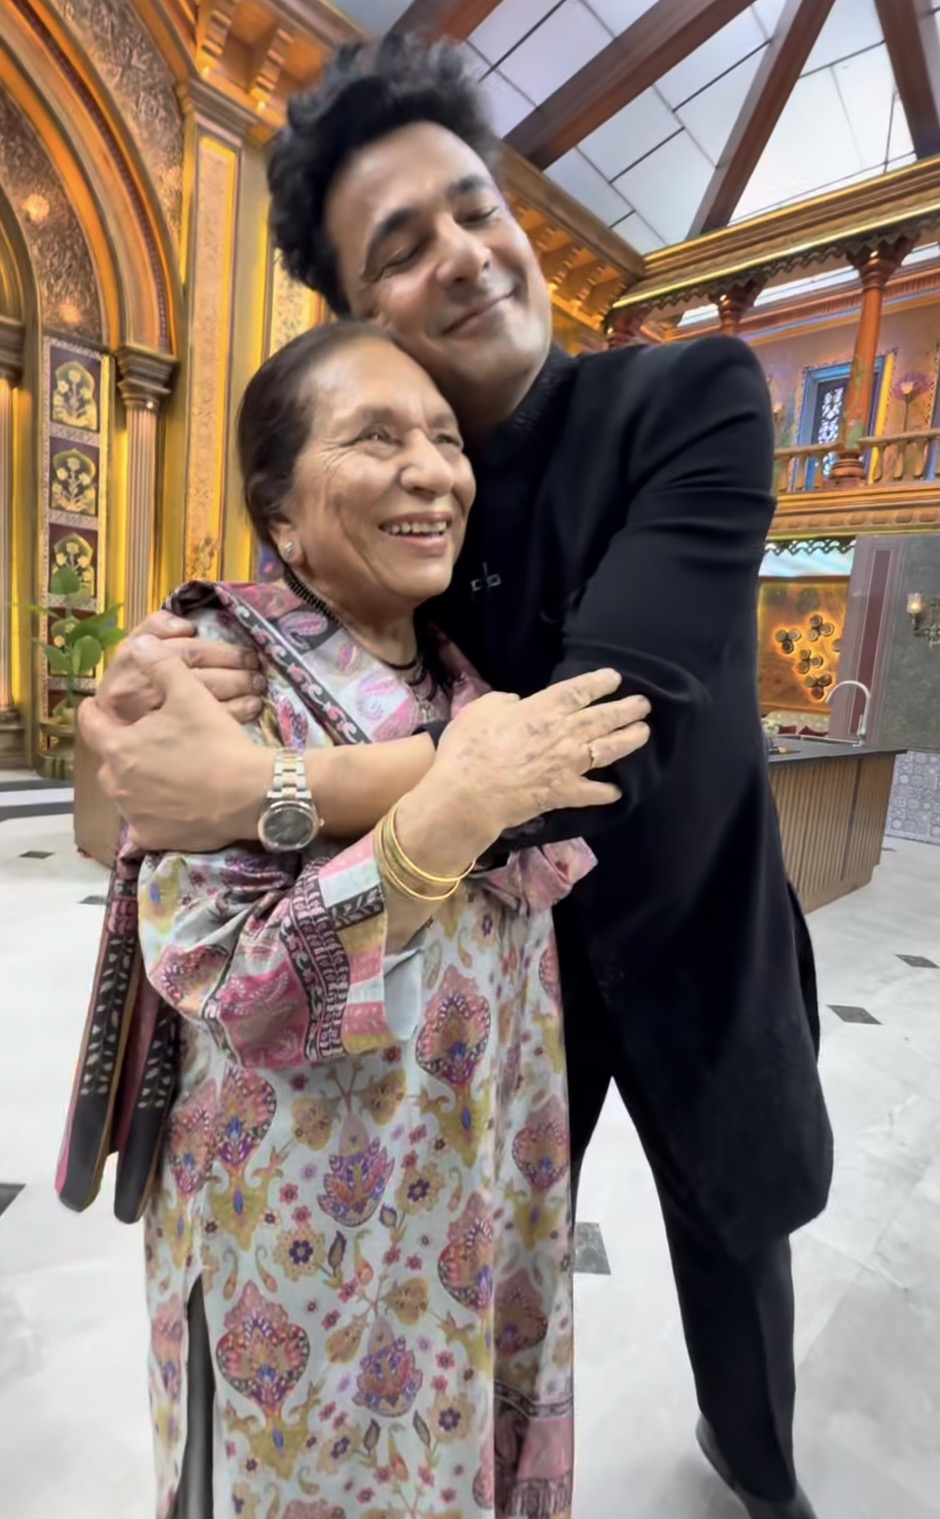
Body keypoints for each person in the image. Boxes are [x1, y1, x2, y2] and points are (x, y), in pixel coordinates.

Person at [80, 36, 832, 1519]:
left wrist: (264, 788)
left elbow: (596, 734)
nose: (468, 254)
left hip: (698, 948)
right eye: (404, 245)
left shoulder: (690, 397)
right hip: (499, 996)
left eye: (476, 208)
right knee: (492, 1274)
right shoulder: (404, 506)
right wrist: (137, 712)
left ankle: (760, 1467)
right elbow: (239, 676)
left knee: (739, 1252)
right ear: (364, 315)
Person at [65, 322, 651, 1519]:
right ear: (280, 512)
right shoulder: (218, 673)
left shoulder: (466, 679)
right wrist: (447, 811)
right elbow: (243, 985)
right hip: (296, 1246)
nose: (431, 470)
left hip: (463, 1214)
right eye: (375, 438)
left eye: (444, 439)